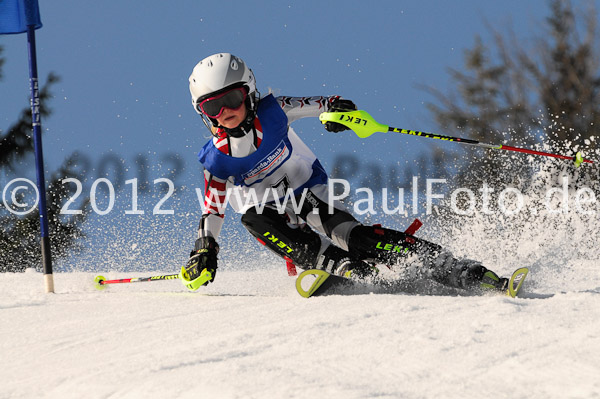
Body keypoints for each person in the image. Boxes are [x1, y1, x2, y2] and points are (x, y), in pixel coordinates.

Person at [179, 52, 509, 293]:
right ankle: (337, 265)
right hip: (269, 211)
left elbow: (323, 102)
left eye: (232, 99)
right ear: (203, 114)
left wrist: (338, 112)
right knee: (252, 218)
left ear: (249, 92)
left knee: (349, 233)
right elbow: (212, 208)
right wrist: (205, 248)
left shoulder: (275, 112)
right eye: (212, 107)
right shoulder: (216, 160)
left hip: (307, 188)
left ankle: (458, 269)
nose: (225, 112)